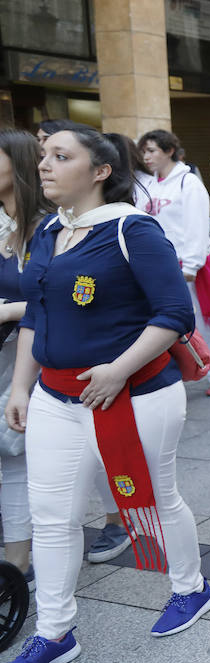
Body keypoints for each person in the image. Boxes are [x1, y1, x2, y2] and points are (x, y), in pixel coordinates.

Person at [0, 126, 210, 663]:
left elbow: (175, 314)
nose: (43, 165)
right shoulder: (48, 230)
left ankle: (190, 588)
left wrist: (118, 370)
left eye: (60, 156)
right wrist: (21, 387)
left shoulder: (133, 230)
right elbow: (37, 315)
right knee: (52, 518)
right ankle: (53, 631)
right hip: (55, 395)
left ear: (99, 171)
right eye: (44, 156)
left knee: (158, 498)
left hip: (137, 393)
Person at [138, 129, 210, 397]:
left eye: (152, 150)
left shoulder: (188, 182)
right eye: (143, 151)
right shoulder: (149, 184)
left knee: (203, 323)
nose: (146, 156)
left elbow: (197, 226)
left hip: (188, 266)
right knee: (164, 324)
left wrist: (191, 266)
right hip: (158, 266)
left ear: (169, 151)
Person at [0, 130, 53, 590]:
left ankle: (19, 563)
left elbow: (53, 296)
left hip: (30, 352)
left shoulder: (47, 226)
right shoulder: (1, 221)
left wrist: (10, 310)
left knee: (13, 453)